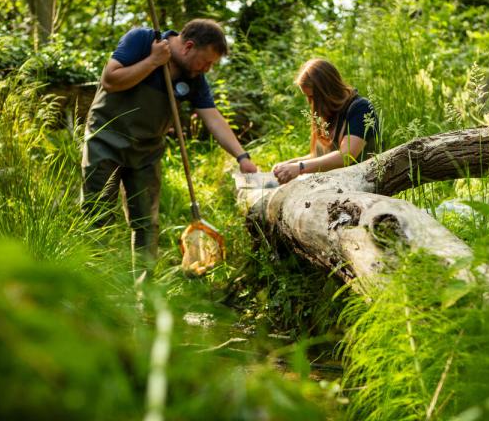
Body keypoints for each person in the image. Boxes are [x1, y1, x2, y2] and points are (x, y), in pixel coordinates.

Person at [81, 19, 257, 277]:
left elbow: (212, 118)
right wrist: (153, 61)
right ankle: (93, 290)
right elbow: (110, 80)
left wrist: (242, 156)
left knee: (146, 225)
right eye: (206, 62)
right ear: (187, 46)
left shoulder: (194, 77)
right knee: (98, 216)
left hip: (146, 152)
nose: (207, 69)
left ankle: (145, 297)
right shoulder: (142, 40)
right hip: (106, 141)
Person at [273, 58, 379, 184]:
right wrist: (290, 164)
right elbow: (320, 158)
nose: (310, 102)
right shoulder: (330, 111)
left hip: (362, 184)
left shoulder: (361, 108)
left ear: (327, 90)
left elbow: (346, 156)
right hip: (333, 185)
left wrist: (300, 167)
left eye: (312, 96)